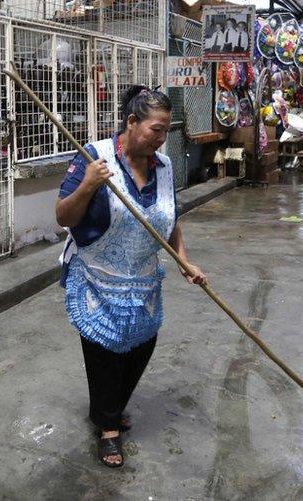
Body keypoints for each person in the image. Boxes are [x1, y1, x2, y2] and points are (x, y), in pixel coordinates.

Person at [56, 86, 207, 468]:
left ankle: (109, 408)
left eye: (165, 131)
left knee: (140, 347)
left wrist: (183, 261)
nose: (161, 138)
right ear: (131, 122)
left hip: (143, 279)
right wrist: (89, 183)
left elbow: (169, 220)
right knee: (104, 353)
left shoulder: (165, 165)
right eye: (155, 129)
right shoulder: (94, 157)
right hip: (99, 278)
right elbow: (63, 217)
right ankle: (108, 429)